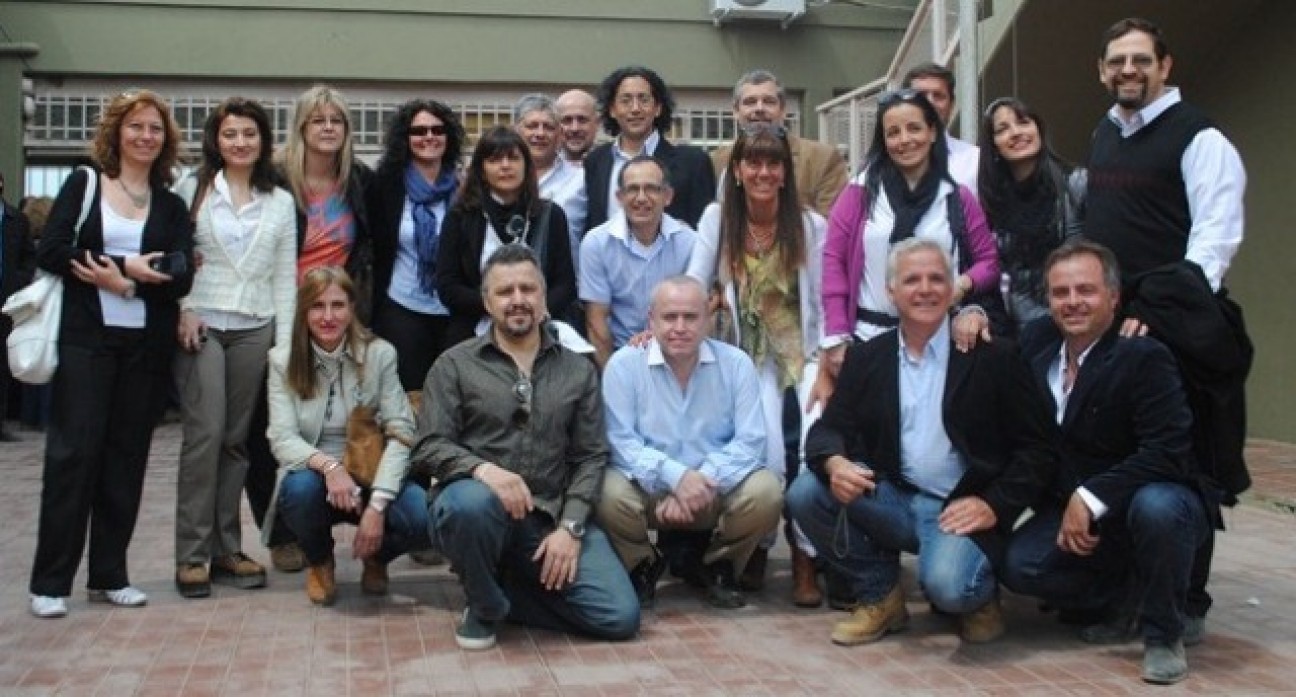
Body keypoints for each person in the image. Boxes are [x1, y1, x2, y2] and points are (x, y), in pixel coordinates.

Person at [786, 239, 1055, 646]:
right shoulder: (869, 357)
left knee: (950, 587)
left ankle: (978, 598)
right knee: (807, 491)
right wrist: (835, 463)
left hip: (961, 507)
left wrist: (995, 504)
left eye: (936, 278)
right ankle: (881, 598)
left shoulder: (992, 356)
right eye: (912, 280)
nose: (925, 289)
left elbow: (1037, 449)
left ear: (951, 289)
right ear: (891, 293)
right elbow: (829, 430)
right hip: (892, 498)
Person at [1085, 16, 1251, 642]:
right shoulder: (1106, 132)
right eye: (1116, 62)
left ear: (1165, 66)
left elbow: (1213, 242)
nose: (1128, 70)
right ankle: (1130, 594)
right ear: (1102, 71)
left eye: (1139, 60)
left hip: (1176, 328)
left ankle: (1187, 600)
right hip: (1115, 326)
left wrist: (1158, 311)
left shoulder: (1200, 137)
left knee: (1186, 466)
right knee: (1123, 457)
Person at [1002, 240, 1213, 685]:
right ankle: (1122, 594)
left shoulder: (1144, 355)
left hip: (1151, 496)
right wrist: (972, 316)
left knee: (1158, 508)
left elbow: (1168, 450)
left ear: (1114, 298)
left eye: (1086, 290)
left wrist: (1091, 495)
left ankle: (1164, 633)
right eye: (1061, 292)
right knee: (1020, 566)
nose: (1073, 302)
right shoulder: (1037, 342)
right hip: (1081, 508)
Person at [414, 244, 639, 650]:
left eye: (527, 289)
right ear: (487, 302)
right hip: (478, 510)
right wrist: (483, 471)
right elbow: (428, 445)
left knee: (619, 616)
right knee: (469, 505)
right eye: (504, 292)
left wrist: (570, 528)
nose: (517, 300)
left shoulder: (577, 369)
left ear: (543, 296)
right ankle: (483, 605)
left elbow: (590, 456)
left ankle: (505, 590)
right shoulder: (454, 364)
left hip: (548, 517)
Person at [28, 89, 195, 618]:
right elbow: (51, 249)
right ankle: (51, 582)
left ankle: (109, 575)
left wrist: (127, 285)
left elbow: (180, 271)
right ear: (116, 133)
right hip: (86, 343)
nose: (146, 136)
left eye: (155, 129)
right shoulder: (84, 183)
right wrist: (125, 266)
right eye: (136, 126)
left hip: (143, 349)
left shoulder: (168, 203)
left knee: (126, 460)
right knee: (74, 457)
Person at [686, 124, 826, 605]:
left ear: (786, 172)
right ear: (738, 171)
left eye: (773, 163)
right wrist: (672, 321)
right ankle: (760, 547)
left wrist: (828, 359)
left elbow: (826, 301)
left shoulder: (809, 226)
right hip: (751, 359)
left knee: (812, 446)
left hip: (804, 353)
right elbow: (693, 281)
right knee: (766, 452)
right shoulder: (716, 220)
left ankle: (807, 558)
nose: (763, 172)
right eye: (754, 162)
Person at [247, 84, 376, 574]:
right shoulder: (274, 179)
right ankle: (281, 532)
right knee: (268, 425)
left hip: (339, 316)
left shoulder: (358, 180)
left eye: (337, 121)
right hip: (278, 312)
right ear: (301, 127)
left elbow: (369, 245)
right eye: (318, 120)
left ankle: (357, 518)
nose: (328, 128)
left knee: (346, 418)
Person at [171, 97, 297, 598]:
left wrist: (285, 347)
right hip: (200, 322)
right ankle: (192, 553)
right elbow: (174, 255)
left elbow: (285, 277)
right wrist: (181, 305)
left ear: (263, 141)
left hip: (255, 326)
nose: (240, 142)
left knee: (236, 440)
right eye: (230, 134)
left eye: (249, 133)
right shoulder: (192, 188)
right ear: (215, 140)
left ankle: (227, 548)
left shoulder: (280, 201)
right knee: (205, 433)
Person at [598, 276, 780, 609]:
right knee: (606, 491)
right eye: (669, 317)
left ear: (708, 318)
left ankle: (717, 565)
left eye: (690, 317)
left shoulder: (736, 365)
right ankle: (641, 565)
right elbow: (620, 442)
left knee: (766, 490)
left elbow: (751, 442)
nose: (680, 327)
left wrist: (699, 482)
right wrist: (676, 478)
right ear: (650, 319)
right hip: (650, 489)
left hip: (712, 488)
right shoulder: (624, 366)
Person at [264, 267, 432, 606]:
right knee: (298, 490)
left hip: (372, 467)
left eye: (338, 305)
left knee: (420, 516)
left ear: (352, 308)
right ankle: (320, 561)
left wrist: (378, 505)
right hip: (315, 476)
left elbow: (402, 433)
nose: (328, 316)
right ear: (303, 311)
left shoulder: (380, 354)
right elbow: (282, 437)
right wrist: (329, 467)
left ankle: (377, 557)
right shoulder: (283, 360)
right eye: (317, 306)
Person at [816, 89, 997, 403]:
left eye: (914, 128)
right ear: (883, 141)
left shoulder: (956, 197)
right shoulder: (859, 194)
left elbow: (988, 261)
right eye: (893, 133)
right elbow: (833, 264)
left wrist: (962, 285)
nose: (904, 140)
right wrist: (835, 337)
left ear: (932, 132)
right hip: (869, 338)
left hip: (940, 340)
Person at [436, 125, 577, 346]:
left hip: (540, 329)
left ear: (526, 166)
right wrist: (501, 307)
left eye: (513, 158)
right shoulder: (460, 216)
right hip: (473, 333)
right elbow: (448, 285)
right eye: (494, 160)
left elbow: (565, 284)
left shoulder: (551, 215)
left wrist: (531, 310)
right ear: (481, 169)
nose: (505, 166)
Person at [366, 98, 465, 392]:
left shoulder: (466, 187)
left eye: (438, 130)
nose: (429, 137)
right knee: (410, 395)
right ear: (405, 138)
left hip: (453, 310)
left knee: (452, 394)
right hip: (402, 306)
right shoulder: (385, 186)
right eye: (419, 131)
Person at [977, 97, 1085, 334]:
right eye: (1003, 129)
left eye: (1023, 122)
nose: (1016, 133)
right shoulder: (992, 201)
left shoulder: (1075, 184)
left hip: (1071, 318)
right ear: (993, 145)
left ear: (1038, 129)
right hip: (1014, 328)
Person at [580, 155, 695, 369]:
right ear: (619, 197)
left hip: (676, 357)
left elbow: (694, 314)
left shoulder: (690, 243)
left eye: (651, 189)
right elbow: (597, 324)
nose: (641, 198)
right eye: (632, 189)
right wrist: (615, 379)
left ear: (668, 196)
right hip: (619, 357)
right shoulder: (596, 243)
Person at [584, 66, 715, 233]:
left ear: (658, 108)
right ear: (612, 110)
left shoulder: (693, 163)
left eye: (644, 99)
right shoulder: (596, 161)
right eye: (626, 100)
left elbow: (706, 233)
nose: (635, 109)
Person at [710, 69, 848, 217]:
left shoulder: (822, 159)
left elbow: (833, 226)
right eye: (750, 102)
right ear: (735, 111)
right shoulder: (716, 161)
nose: (759, 108)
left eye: (768, 101)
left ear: (783, 110)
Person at [515, 93, 587, 266]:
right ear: (516, 131)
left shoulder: (581, 180)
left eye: (548, 127)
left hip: (566, 285)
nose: (540, 133)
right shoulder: (502, 177)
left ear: (560, 135)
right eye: (532, 126)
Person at [0, 171, 37, 441]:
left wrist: (18, 282)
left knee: (3, 362)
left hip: (6, 301)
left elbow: (29, 258)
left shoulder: (16, 220)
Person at [901, 62, 979, 190]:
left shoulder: (976, 162)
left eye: (938, 96)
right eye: (921, 95)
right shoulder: (879, 165)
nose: (930, 102)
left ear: (952, 105)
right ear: (904, 103)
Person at [556, 89, 598, 165]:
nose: (575, 128)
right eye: (567, 120)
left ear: (597, 123)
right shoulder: (541, 167)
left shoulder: (612, 165)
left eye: (582, 120)